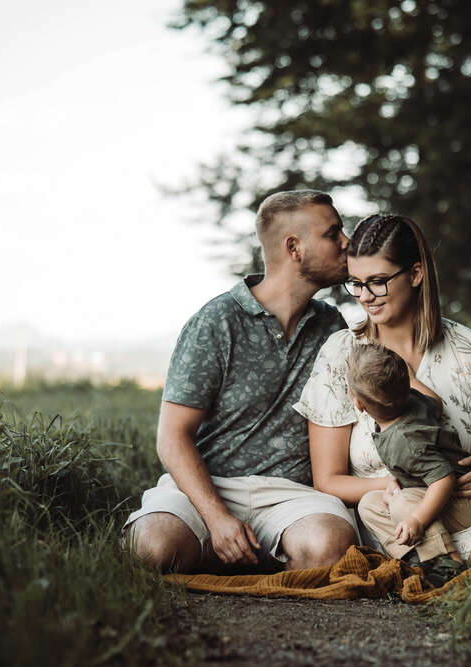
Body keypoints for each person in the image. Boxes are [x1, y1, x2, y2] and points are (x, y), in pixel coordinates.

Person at [295, 213, 471, 563]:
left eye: (378, 281)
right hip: (405, 514)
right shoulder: (341, 353)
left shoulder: (468, 348)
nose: (365, 296)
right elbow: (328, 479)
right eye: (355, 283)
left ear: (415, 274)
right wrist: (396, 488)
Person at [124, 190, 358, 573]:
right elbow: (172, 438)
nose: (346, 242)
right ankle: (229, 549)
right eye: (333, 233)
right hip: (208, 488)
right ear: (294, 247)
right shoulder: (217, 322)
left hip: (293, 497)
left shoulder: (332, 325)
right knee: (151, 547)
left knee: (330, 546)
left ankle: (246, 556)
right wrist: (216, 518)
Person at [346, 342, 471, 567]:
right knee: (368, 504)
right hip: (431, 494)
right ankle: (412, 556)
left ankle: (445, 563)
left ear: (359, 404)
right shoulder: (414, 400)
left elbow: (444, 479)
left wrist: (417, 520)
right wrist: (411, 379)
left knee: (401, 502)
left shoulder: (404, 440)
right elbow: (437, 403)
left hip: (463, 502)